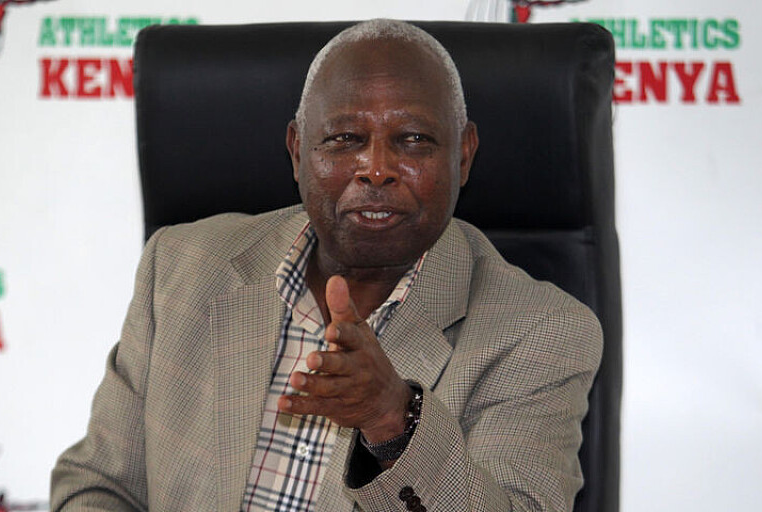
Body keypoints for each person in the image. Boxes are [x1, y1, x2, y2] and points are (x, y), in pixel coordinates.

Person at [51, 19, 602, 511]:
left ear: (463, 153)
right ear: (297, 151)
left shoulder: (540, 333)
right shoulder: (183, 267)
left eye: (413, 140)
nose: (377, 169)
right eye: (345, 139)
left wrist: (393, 421)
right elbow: (99, 483)